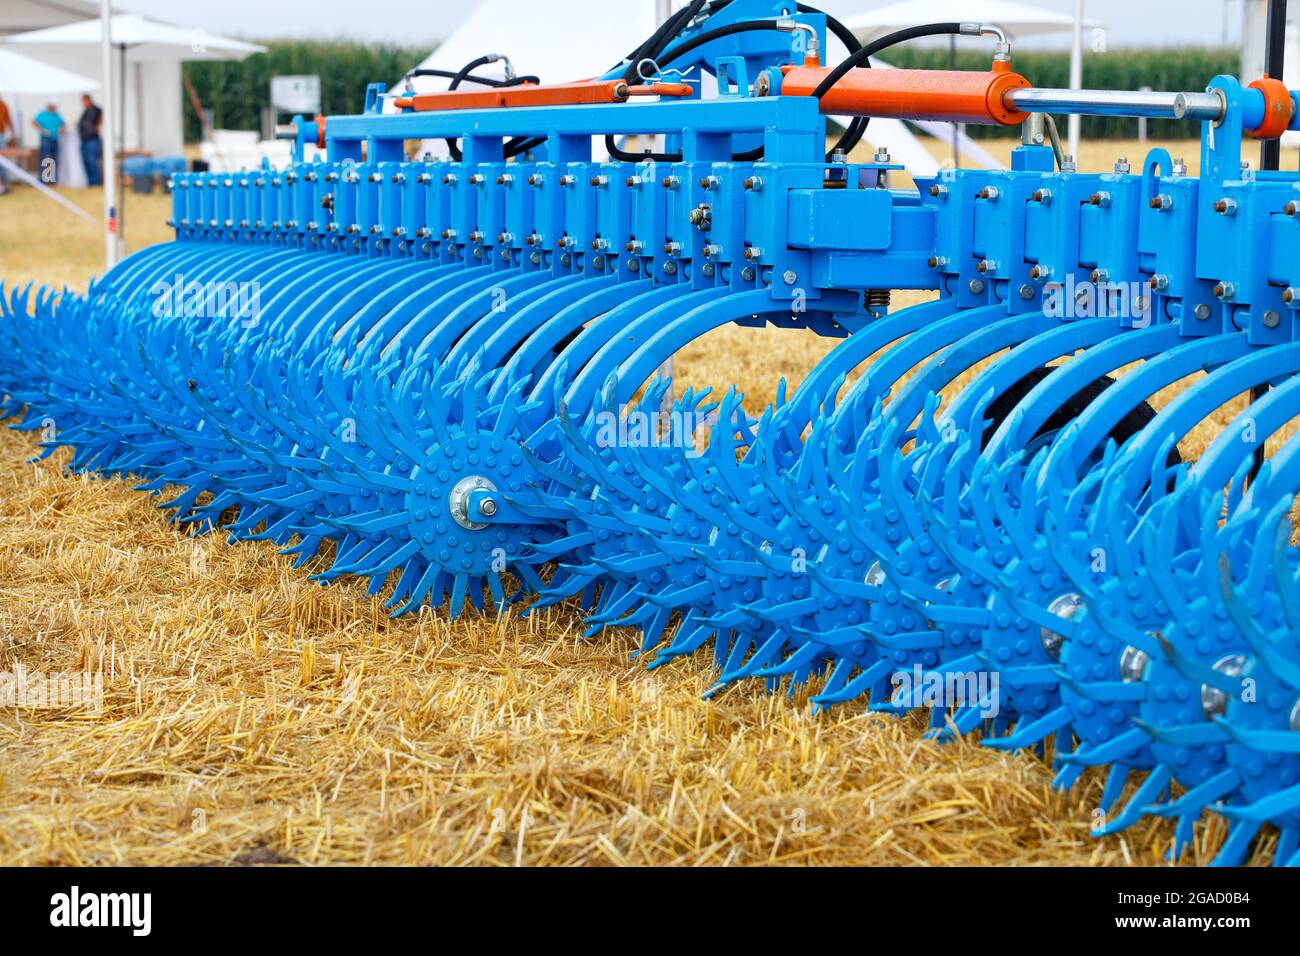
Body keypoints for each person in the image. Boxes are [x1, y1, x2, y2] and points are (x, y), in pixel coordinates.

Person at [33, 101, 65, 185]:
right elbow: (34, 122)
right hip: (45, 139)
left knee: (54, 159)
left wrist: (61, 129)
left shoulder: (57, 115)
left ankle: (52, 180)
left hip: (54, 139)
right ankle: (43, 180)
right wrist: (42, 130)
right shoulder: (43, 114)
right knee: (45, 159)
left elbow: (63, 124)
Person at [77, 93, 103, 187]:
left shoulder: (96, 110)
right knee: (87, 162)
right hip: (84, 140)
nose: (83, 103)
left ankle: (95, 183)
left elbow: (100, 120)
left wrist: (97, 128)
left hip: (92, 140)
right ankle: (91, 183)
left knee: (92, 162)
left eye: (84, 101)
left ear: (88, 100)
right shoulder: (85, 111)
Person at [0, 96, 14, 195]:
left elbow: (9, 121)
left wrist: (12, 136)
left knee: (3, 161)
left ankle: (4, 184)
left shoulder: (3, 106)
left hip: (1, 135)